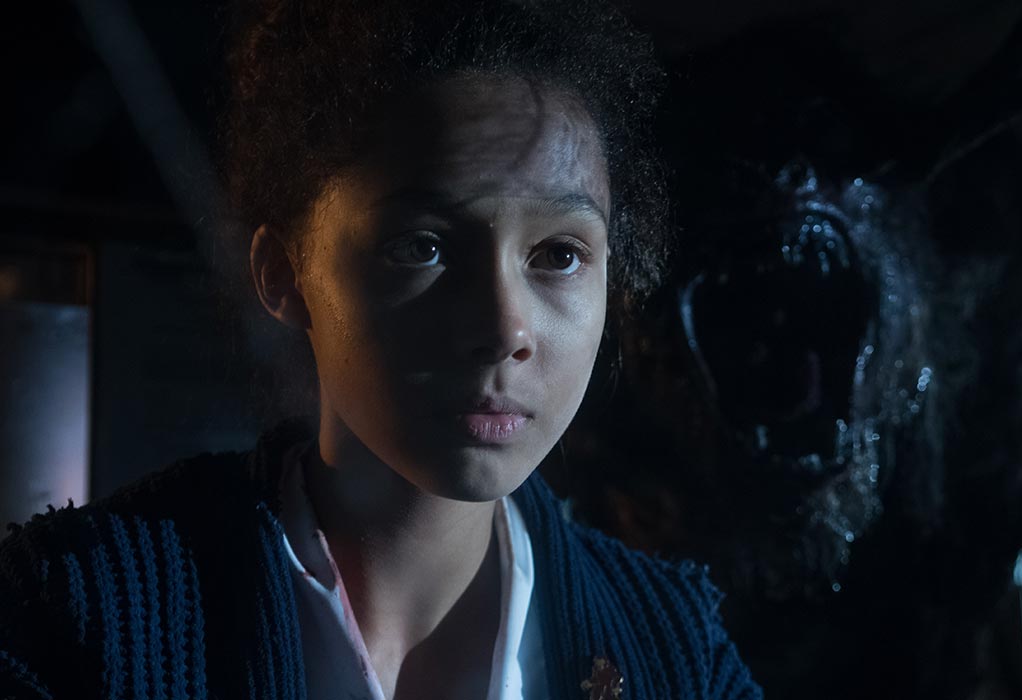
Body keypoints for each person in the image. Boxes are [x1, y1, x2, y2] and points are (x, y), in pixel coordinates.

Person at [0, 1, 762, 698]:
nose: (504, 329)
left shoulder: (678, 652)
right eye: (422, 247)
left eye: (559, 255)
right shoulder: (74, 611)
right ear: (282, 272)